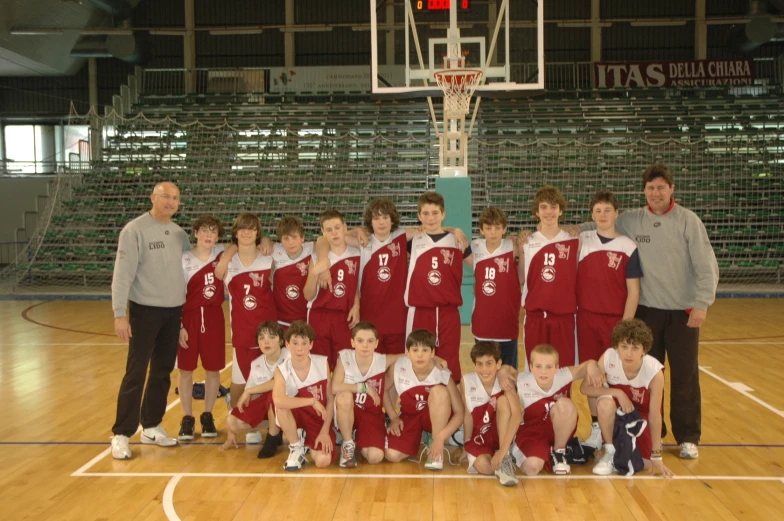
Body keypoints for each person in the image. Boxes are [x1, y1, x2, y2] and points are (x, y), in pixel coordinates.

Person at [580, 164, 719, 459]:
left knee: (684, 374)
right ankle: (655, 429)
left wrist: (702, 304)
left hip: (683, 311)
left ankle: (688, 436)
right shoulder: (632, 220)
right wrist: (558, 231)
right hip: (647, 312)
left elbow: (707, 266)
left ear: (672, 189)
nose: (656, 193)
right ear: (644, 191)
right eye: (651, 188)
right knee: (646, 375)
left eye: (661, 187)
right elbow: (598, 224)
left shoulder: (688, 221)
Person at [110, 182, 193, 460]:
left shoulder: (179, 234)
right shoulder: (134, 230)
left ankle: (152, 425)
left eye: (175, 198)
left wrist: (181, 321)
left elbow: (185, 275)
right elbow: (122, 274)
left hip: (173, 313)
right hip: (144, 311)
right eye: (165, 197)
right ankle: (122, 433)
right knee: (136, 372)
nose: (170, 202)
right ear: (153, 198)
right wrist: (120, 314)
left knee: (162, 371)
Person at [359, 198, 468, 355]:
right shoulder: (365, 241)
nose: (381, 222)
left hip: (399, 316)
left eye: (385, 217)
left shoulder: (404, 238)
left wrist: (456, 230)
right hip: (372, 314)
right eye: (376, 218)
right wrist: (358, 231)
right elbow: (330, 238)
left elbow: (434, 229)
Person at [577, 191, 642, 449]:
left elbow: (634, 291)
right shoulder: (583, 240)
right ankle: (596, 428)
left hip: (616, 322)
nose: (602, 215)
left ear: (617, 213)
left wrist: (624, 328)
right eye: (597, 211)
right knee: (593, 376)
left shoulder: (628, 246)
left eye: (607, 210)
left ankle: (620, 428)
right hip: (586, 319)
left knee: (615, 377)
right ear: (591, 215)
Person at [580, 319, 674, 477]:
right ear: (616, 347)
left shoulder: (654, 371)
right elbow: (585, 388)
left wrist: (656, 454)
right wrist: (618, 393)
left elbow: (655, 415)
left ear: (644, 349)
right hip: (615, 414)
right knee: (604, 401)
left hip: (639, 419)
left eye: (635, 348)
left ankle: (618, 452)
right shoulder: (610, 357)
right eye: (624, 347)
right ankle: (610, 450)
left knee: (646, 463)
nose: (629, 353)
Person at [215, 213, 277, 444]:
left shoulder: (270, 256)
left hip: (269, 334)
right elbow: (218, 245)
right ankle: (243, 419)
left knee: (273, 380)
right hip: (242, 333)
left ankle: (273, 423)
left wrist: (268, 240)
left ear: (258, 233)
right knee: (241, 382)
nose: (247, 232)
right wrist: (225, 258)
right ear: (236, 232)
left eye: (252, 229)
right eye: (242, 228)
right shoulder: (226, 259)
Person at [404, 192, 472, 382]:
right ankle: (419, 404)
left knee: (450, 360)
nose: (430, 218)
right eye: (425, 213)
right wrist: (453, 228)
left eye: (435, 213)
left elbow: (479, 265)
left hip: (448, 312)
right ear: (419, 216)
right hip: (420, 311)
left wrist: (454, 231)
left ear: (443, 214)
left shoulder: (457, 241)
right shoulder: (412, 241)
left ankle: (451, 407)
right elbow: (384, 235)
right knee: (419, 360)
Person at [506, 344, 601, 476]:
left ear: (557, 368)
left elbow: (587, 365)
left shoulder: (563, 375)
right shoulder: (522, 380)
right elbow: (504, 370)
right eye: (538, 366)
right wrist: (501, 373)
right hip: (532, 433)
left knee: (565, 404)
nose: (543, 372)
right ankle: (547, 451)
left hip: (556, 430)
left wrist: (592, 366)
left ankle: (559, 451)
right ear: (531, 367)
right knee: (531, 468)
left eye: (549, 367)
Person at [384, 329, 464, 470]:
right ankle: (419, 437)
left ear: (433, 353)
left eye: (425, 350)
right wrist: (393, 417)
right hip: (410, 416)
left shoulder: (442, 373)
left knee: (439, 391)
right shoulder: (398, 366)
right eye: (415, 350)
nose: (420, 355)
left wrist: (440, 438)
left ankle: (435, 445)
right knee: (392, 455)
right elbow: (383, 389)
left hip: (433, 419)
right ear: (408, 352)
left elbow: (459, 412)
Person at [517, 186, 579, 367]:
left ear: (561, 210)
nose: (549, 212)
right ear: (537, 211)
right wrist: (520, 251)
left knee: (563, 371)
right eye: (543, 207)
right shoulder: (528, 242)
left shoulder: (574, 241)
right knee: (535, 371)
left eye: (553, 207)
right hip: (535, 317)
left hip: (564, 317)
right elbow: (521, 278)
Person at [177, 215, 226, 441]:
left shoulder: (222, 255)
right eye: (205, 230)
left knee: (213, 370)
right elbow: (175, 293)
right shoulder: (183, 258)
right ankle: (187, 418)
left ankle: (207, 415)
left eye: (213, 231)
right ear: (195, 233)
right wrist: (179, 325)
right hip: (188, 318)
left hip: (214, 317)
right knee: (185, 370)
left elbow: (239, 245)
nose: (209, 235)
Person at [273, 321, 337, 471]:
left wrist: (325, 430)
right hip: (296, 414)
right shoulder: (282, 370)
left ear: (311, 345)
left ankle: (303, 437)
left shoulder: (322, 363)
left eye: (304, 343)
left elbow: (330, 399)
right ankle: (296, 447)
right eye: (295, 343)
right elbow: (278, 400)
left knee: (322, 461)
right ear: (287, 345)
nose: (299, 348)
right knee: (281, 407)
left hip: (317, 418)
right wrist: (312, 401)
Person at [303, 210, 361, 370]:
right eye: (328, 230)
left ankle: (343, 396)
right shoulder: (317, 258)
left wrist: (356, 305)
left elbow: (355, 284)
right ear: (323, 232)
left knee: (346, 367)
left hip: (345, 318)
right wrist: (315, 272)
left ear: (345, 227)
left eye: (337, 227)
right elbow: (308, 295)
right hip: (319, 316)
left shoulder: (357, 254)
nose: (334, 233)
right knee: (320, 368)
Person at [465, 207, 522, 368]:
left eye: (498, 227)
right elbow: (457, 245)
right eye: (488, 228)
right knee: (485, 371)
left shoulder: (513, 246)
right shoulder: (475, 246)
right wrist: (456, 231)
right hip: (483, 324)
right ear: (481, 230)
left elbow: (521, 275)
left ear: (505, 228)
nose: (493, 232)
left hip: (506, 322)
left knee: (508, 373)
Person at [221, 321, 288, 458]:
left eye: (271, 337)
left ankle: (272, 437)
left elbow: (279, 382)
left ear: (281, 340)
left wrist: (249, 391)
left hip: (291, 405)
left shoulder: (289, 357)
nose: (266, 342)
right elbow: (249, 396)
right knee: (232, 421)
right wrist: (231, 431)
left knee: (273, 396)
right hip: (270, 409)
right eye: (261, 338)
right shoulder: (256, 364)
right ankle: (276, 427)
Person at [459, 341, 522, 486]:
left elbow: (517, 416)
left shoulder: (505, 381)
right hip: (480, 437)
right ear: (474, 365)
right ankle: (500, 462)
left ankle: (504, 457)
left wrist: (501, 452)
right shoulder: (467, 381)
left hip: (502, 435)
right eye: (479, 364)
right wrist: (465, 444)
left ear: (498, 364)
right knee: (485, 467)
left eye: (489, 363)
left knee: (503, 401)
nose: (484, 369)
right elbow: (468, 415)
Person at [271, 216, 313, 330]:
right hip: (281, 320)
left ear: (302, 238)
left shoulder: (313, 249)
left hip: (306, 318)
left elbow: (325, 241)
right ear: (280, 241)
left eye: (294, 237)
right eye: (286, 238)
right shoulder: (274, 251)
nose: (291, 243)